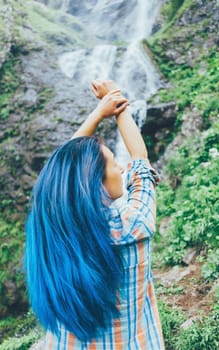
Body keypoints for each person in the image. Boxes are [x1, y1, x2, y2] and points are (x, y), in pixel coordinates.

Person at [25, 80, 165, 349]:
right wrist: (117, 102)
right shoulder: (132, 221)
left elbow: (60, 175)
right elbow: (139, 157)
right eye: (114, 163)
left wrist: (99, 112)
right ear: (96, 182)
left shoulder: (51, 224)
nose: (123, 168)